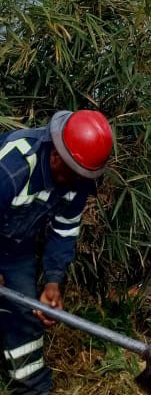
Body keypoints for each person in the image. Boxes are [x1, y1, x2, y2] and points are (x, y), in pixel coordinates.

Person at [0, 110, 114, 393]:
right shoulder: (14, 164)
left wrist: (53, 282)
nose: (78, 181)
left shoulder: (78, 179)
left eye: (84, 175)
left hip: (16, 247)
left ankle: (32, 389)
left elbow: (64, 231)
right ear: (55, 156)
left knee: (26, 312)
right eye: (73, 173)